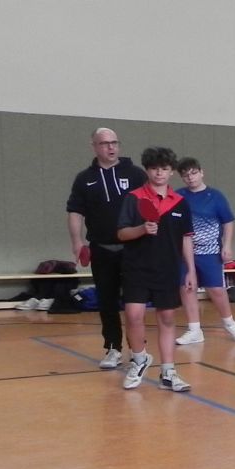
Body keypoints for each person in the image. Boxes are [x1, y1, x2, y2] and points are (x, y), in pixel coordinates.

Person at [66, 126, 147, 369]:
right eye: (104, 143)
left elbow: (151, 206)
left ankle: (138, 350)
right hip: (102, 250)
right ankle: (113, 348)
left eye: (114, 142)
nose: (111, 147)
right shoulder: (84, 179)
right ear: (94, 146)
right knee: (107, 301)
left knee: (134, 302)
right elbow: (75, 212)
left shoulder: (136, 174)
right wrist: (77, 241)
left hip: (133, 249)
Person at [115, 147, 195, 392]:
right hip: (136, 267)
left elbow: (186, 238)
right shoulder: (134, 198)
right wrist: (142, 229)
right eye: (154, 168)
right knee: (133, 315)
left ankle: (168, 372)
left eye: (164, 169)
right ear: (147, 170)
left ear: (171, 172)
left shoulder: (181, 203)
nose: (159, 173)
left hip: (167, 269)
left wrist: (190, 270)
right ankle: (139, 359)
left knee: (167, 318)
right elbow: (121, 233)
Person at [174, 157, 235, 345]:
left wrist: (227, 245)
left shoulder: (215, 196)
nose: (190, 178)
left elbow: (228, 222)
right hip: (184, 252)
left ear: (201, 172)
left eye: (193, 173)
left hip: (210, 252)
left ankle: (229, 323)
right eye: (186, 175)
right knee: (187, 288)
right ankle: (194, 330)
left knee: (216, 289)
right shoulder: (178, 196)